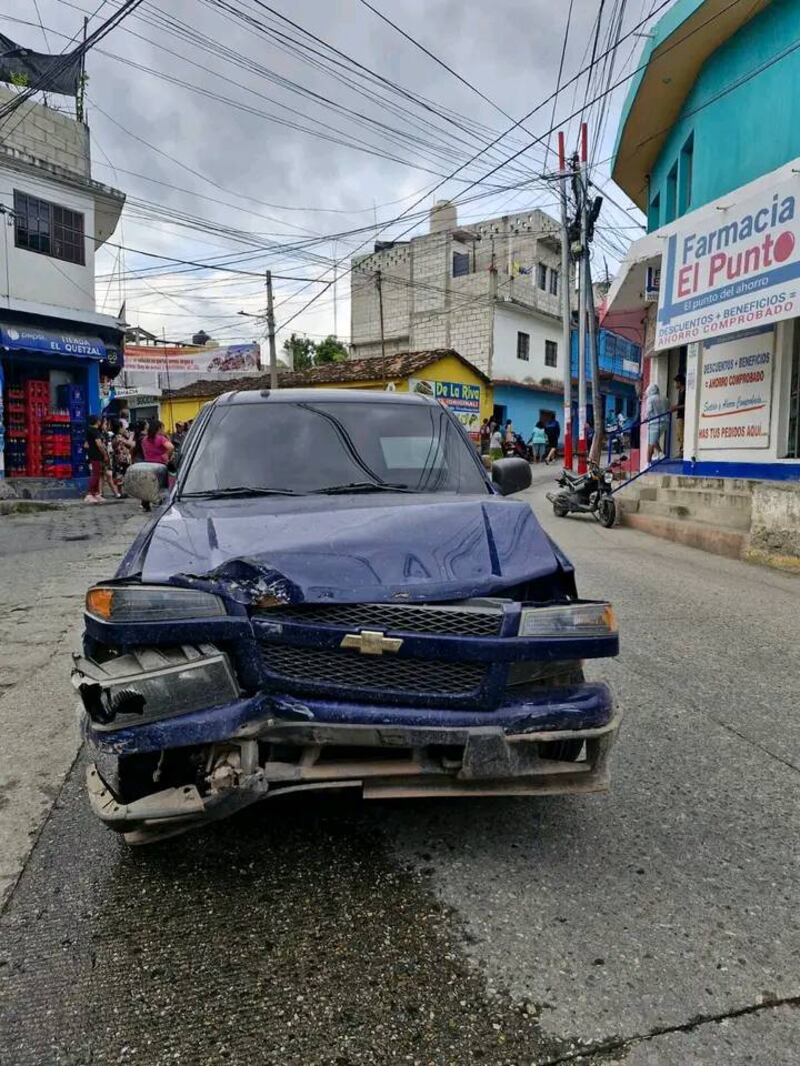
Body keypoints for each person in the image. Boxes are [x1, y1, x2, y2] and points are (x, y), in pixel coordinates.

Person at [84, 415, 109, 504]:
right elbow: (99, 444)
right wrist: (105, 454)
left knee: (97, 474)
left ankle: (96, 493)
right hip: (96, 455)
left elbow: (86, 445)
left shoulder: (89, 430)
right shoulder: (95, 431)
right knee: (95, 474)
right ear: (97, 421)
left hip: (92, 454)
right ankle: (89, 494)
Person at [644, 383, 669, 464]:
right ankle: (661, 454)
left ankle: (648, 463)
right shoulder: (665, 398)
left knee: (650, 443)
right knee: (654, 439)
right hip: (665, 422)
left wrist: (646, 418)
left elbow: (649, 411)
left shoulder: (650, 399)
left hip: (654, 423)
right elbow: (668, 408)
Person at [673, 372, 686, 455]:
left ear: (679, 382)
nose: (674, 384)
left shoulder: (685, 391)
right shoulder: (680, 392)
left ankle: (682, 452)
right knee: (678, 435)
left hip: (682, 416)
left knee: (681, 435)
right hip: (679, 416)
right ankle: (681, 451)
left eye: (675, 382)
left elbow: (686, 404)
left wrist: (676, 407)